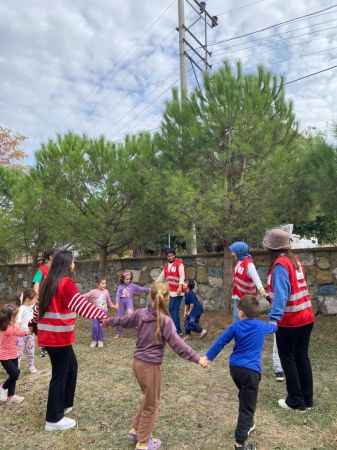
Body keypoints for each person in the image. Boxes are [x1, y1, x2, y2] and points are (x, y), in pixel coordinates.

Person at [103, 282, 204, 450]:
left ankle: (136, 430)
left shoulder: (142, 313)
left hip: (137, 364)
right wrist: (197, 358)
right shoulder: (166, 320)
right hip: (150, 368)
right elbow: (178, 345)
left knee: (147, 398)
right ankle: (143, 442)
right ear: (166, 299)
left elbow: (124, 320)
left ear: (150, 296)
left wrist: (109, 321)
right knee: (152, 404)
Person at [29, 250, 109, 432]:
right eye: (73, 262)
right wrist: (103, 316)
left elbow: (38, 308)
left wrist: (32, 323)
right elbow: (80, 305)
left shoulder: (48, 282)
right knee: (60, 374)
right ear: (67, 264)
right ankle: (53, 419)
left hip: (51, 337)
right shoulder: (65, 283)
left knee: (71, 367)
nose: (74, 265)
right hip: (58, 338)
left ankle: (64, 403)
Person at [201, 295, 277, 450]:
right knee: (247, 407)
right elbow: (275, 326)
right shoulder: (262, 326)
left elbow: (220, 341)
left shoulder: (235, 326)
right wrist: (277, 311)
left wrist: (208, 357)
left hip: (235, 369)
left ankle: (248, 423)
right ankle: (240, 444)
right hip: (251, 372)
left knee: (245, 396)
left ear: (241, 312)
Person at [263, 228, 315, 411]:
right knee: (302, 357)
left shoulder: (280, 265)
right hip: (306, 317)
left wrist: (273, 318)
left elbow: (282, 295)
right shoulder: (295, 261)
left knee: (288, 359)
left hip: (291, 320)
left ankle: (295, 400)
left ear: (272, 248)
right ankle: (307, 400)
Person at [229, 241, 266, 323]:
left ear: (239, 252)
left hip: (247, 300)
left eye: (233, 252)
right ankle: (238, 334)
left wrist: (263, 292)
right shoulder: (239, 262)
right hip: (238, 296)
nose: (232, 254)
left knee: (247, 320)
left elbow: (257, 279)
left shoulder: (249, 264)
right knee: (236, 319)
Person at [0, 304, 29, 404]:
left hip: (13, 353)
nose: (16, 317)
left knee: (14, 375)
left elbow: (18, 332)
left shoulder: (13, 325)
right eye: (15, 315)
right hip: (4, 355)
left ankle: (11, 397)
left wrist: (26, 332)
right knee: (15, 373)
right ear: (9, 317)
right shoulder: (4, 327)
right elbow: (13, 332)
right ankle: (3, 387)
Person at [32, 249, 56, 358]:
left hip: (54, 300)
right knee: (42, 323)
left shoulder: (56, 270)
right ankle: (43, 347)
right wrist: (38, 297)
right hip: (43, 301)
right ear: (51, 257)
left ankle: (52, 343)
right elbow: (36, 284)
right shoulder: (40, 270)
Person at [156, 248, 185, 335]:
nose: (170, 257)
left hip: (178, 291)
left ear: (174, 255)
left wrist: (180, 286)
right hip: (171, 292)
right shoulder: (166, 267)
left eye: (172, 255)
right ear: (167, 257)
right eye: (169, 256)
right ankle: (177, 329)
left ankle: (177, 330)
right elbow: (161, 277)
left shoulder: (179, 264)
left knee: (174, 309)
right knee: (172, 309)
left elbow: (182, 276)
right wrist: (154, 285)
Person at [114, 271, 150, 339]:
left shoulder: (132, 286)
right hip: (121, 302)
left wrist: (149, 289)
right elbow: (117, 295)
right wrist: (117, 303)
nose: (128, 280)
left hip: (128, 302)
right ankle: (119, 333)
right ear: (123, 279)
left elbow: (140, 289)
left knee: (131, 315)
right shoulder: (120, 286)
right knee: (119, 317)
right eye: (127, 279)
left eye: (130, 279)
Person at [84, 275, 114, 348]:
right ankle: (94, 340)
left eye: (105, 283)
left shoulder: (106, 291)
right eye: (102, 283)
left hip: (104, 313)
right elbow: (85, 296)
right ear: (97, 284)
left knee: (101, 327)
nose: (104, 285)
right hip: (95, 312)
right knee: (95, 327)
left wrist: (114, 306)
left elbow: (109, 302)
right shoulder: (93, 291)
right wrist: (77, 297)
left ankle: (100, 340)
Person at [16, 288, 38, 373]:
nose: (36, 301)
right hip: (21, 335)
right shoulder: (21, 308)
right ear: (28, 299)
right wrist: (18, 331)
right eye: (35, 299)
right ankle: (16, 368)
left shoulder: (32, 308)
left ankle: (31, 366)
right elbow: (18, 321)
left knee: (30, 351)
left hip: (30, 335)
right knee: (18, 353)